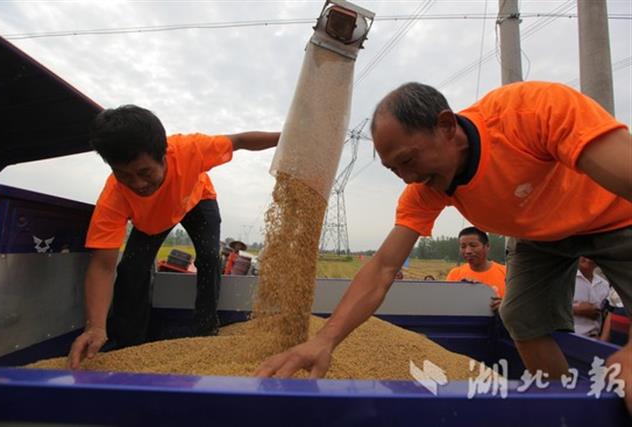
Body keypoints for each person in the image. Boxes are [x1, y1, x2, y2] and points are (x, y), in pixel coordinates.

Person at [255, 81, 632, 411]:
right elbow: (383, 268)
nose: (408, 177)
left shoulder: (528, 112)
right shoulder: (423, 190)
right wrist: (324, 341)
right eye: (394, 170)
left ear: (447, 126)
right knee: (520, 315)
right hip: (540, 236)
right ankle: (565, 406)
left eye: (408, 160)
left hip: (616, 217)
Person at [68, 105, 279, 369]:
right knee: (131, 269)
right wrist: (95, 326)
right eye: (124, 175)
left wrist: (287, 137)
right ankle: (127, 341)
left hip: (197, 200)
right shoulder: (114, 197)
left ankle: (205, 330)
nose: (138, 184)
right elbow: (102, 266)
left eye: (145, 172)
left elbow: (240, 141)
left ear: (164, 155)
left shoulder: (190, 149)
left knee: (209, 258)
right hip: (153, 219)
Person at [446, 227, 506, 311]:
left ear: (487, 246)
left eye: (473, 245)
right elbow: (448, 304)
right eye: (463, 247)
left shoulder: (506, 273)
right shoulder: (455, 274)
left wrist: (505, 306)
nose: (468, 251)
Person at [572, 257, 610, 340]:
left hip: (593, 339)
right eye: (584, 255)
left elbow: (607, 315)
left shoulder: (604, 285)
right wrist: (575, 309)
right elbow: (545, 306)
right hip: (568, 336)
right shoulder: (566, 279)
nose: (588, 259)